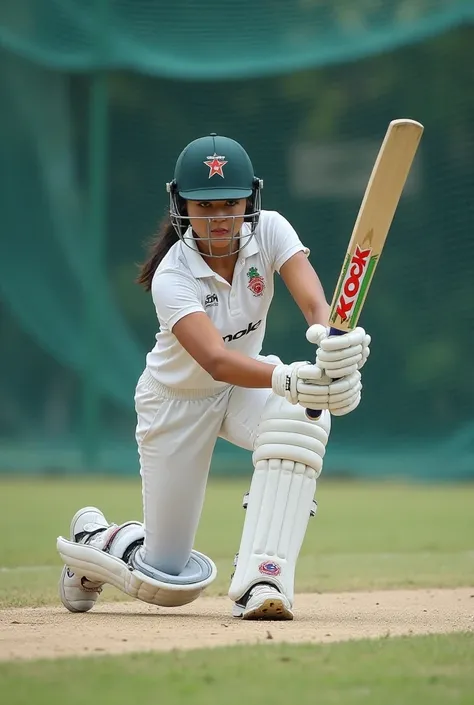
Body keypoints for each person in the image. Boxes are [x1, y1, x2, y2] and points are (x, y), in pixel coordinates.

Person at [57, 133, 370, 620]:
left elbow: (314, 303)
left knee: (303, 418)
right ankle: (98, 541)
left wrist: (331, 341)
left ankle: (263, 578)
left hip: (241, 388)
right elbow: (215, 360)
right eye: (205, 206)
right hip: (175, 404)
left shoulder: (270, 230)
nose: (220, 217)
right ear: (180, 204)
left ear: (250, 199)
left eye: (230, 203)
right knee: (165, 577)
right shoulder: (172, 275)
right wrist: (289, 378)